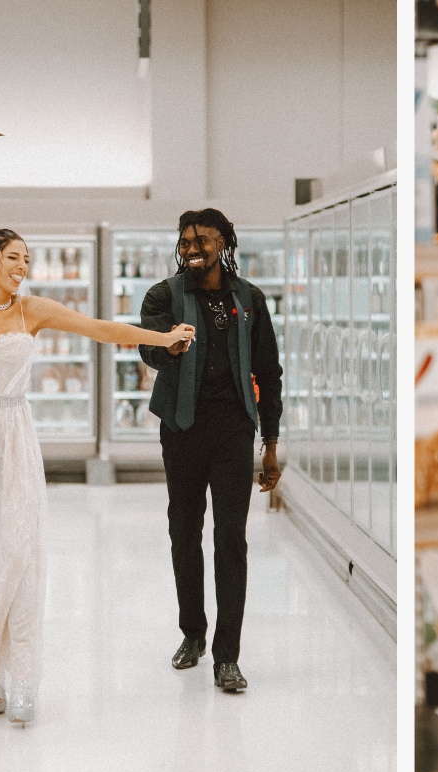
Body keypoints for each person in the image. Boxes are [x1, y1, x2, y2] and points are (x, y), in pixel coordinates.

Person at [0, 147, 196, 725]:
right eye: (12, 257)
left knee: (19, 554)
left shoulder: (34, 310)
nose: (22, 266)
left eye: (25, 258)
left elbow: (101, 327)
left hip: (14, 437)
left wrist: (158, 339)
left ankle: (24, 677)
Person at [138, 209, 283, 692]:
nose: (192, 247)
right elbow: (148, 348)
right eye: (184, 241)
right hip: (181, 427)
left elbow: (269, 371)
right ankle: (192, 635)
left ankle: (228, 656)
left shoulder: (250, 299)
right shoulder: (164, 295)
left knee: (231, 539)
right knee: (184, 531)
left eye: (201, 239)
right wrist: (167, 347)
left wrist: (271, 442)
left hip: (234, 431)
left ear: (225, 241)